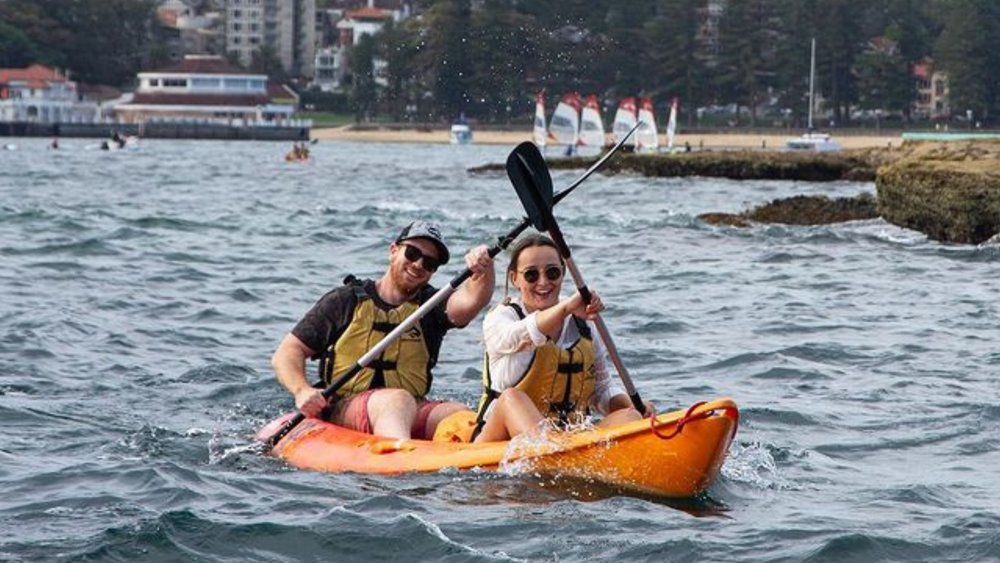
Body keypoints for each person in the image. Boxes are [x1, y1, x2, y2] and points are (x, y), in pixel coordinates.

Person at [271, 221, 495, 440]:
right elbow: (289, 350)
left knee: (459, 414)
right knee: (396, 401)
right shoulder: (345, 300)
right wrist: (302, 390)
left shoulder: (432, 305)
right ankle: (399, 466)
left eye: (429, 263)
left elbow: (472, 300)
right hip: (346, 407)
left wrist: (483, 268)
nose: (418, 264)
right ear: (393, 251)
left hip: (411, 407)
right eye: (412, 253)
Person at [467, 233, 652, 443]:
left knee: (630, 415)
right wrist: (565, 308)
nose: (543, 282)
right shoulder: (500, 318)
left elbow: (600, 388)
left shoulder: (583, 322)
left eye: (553, 272)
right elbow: (523, 335)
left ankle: (570, 456)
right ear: (514, 278)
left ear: (563, 274)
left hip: (566, 438)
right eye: (531, 275)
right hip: (499, 439)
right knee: (512, 398)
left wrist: (634, 407)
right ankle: (552, 455)